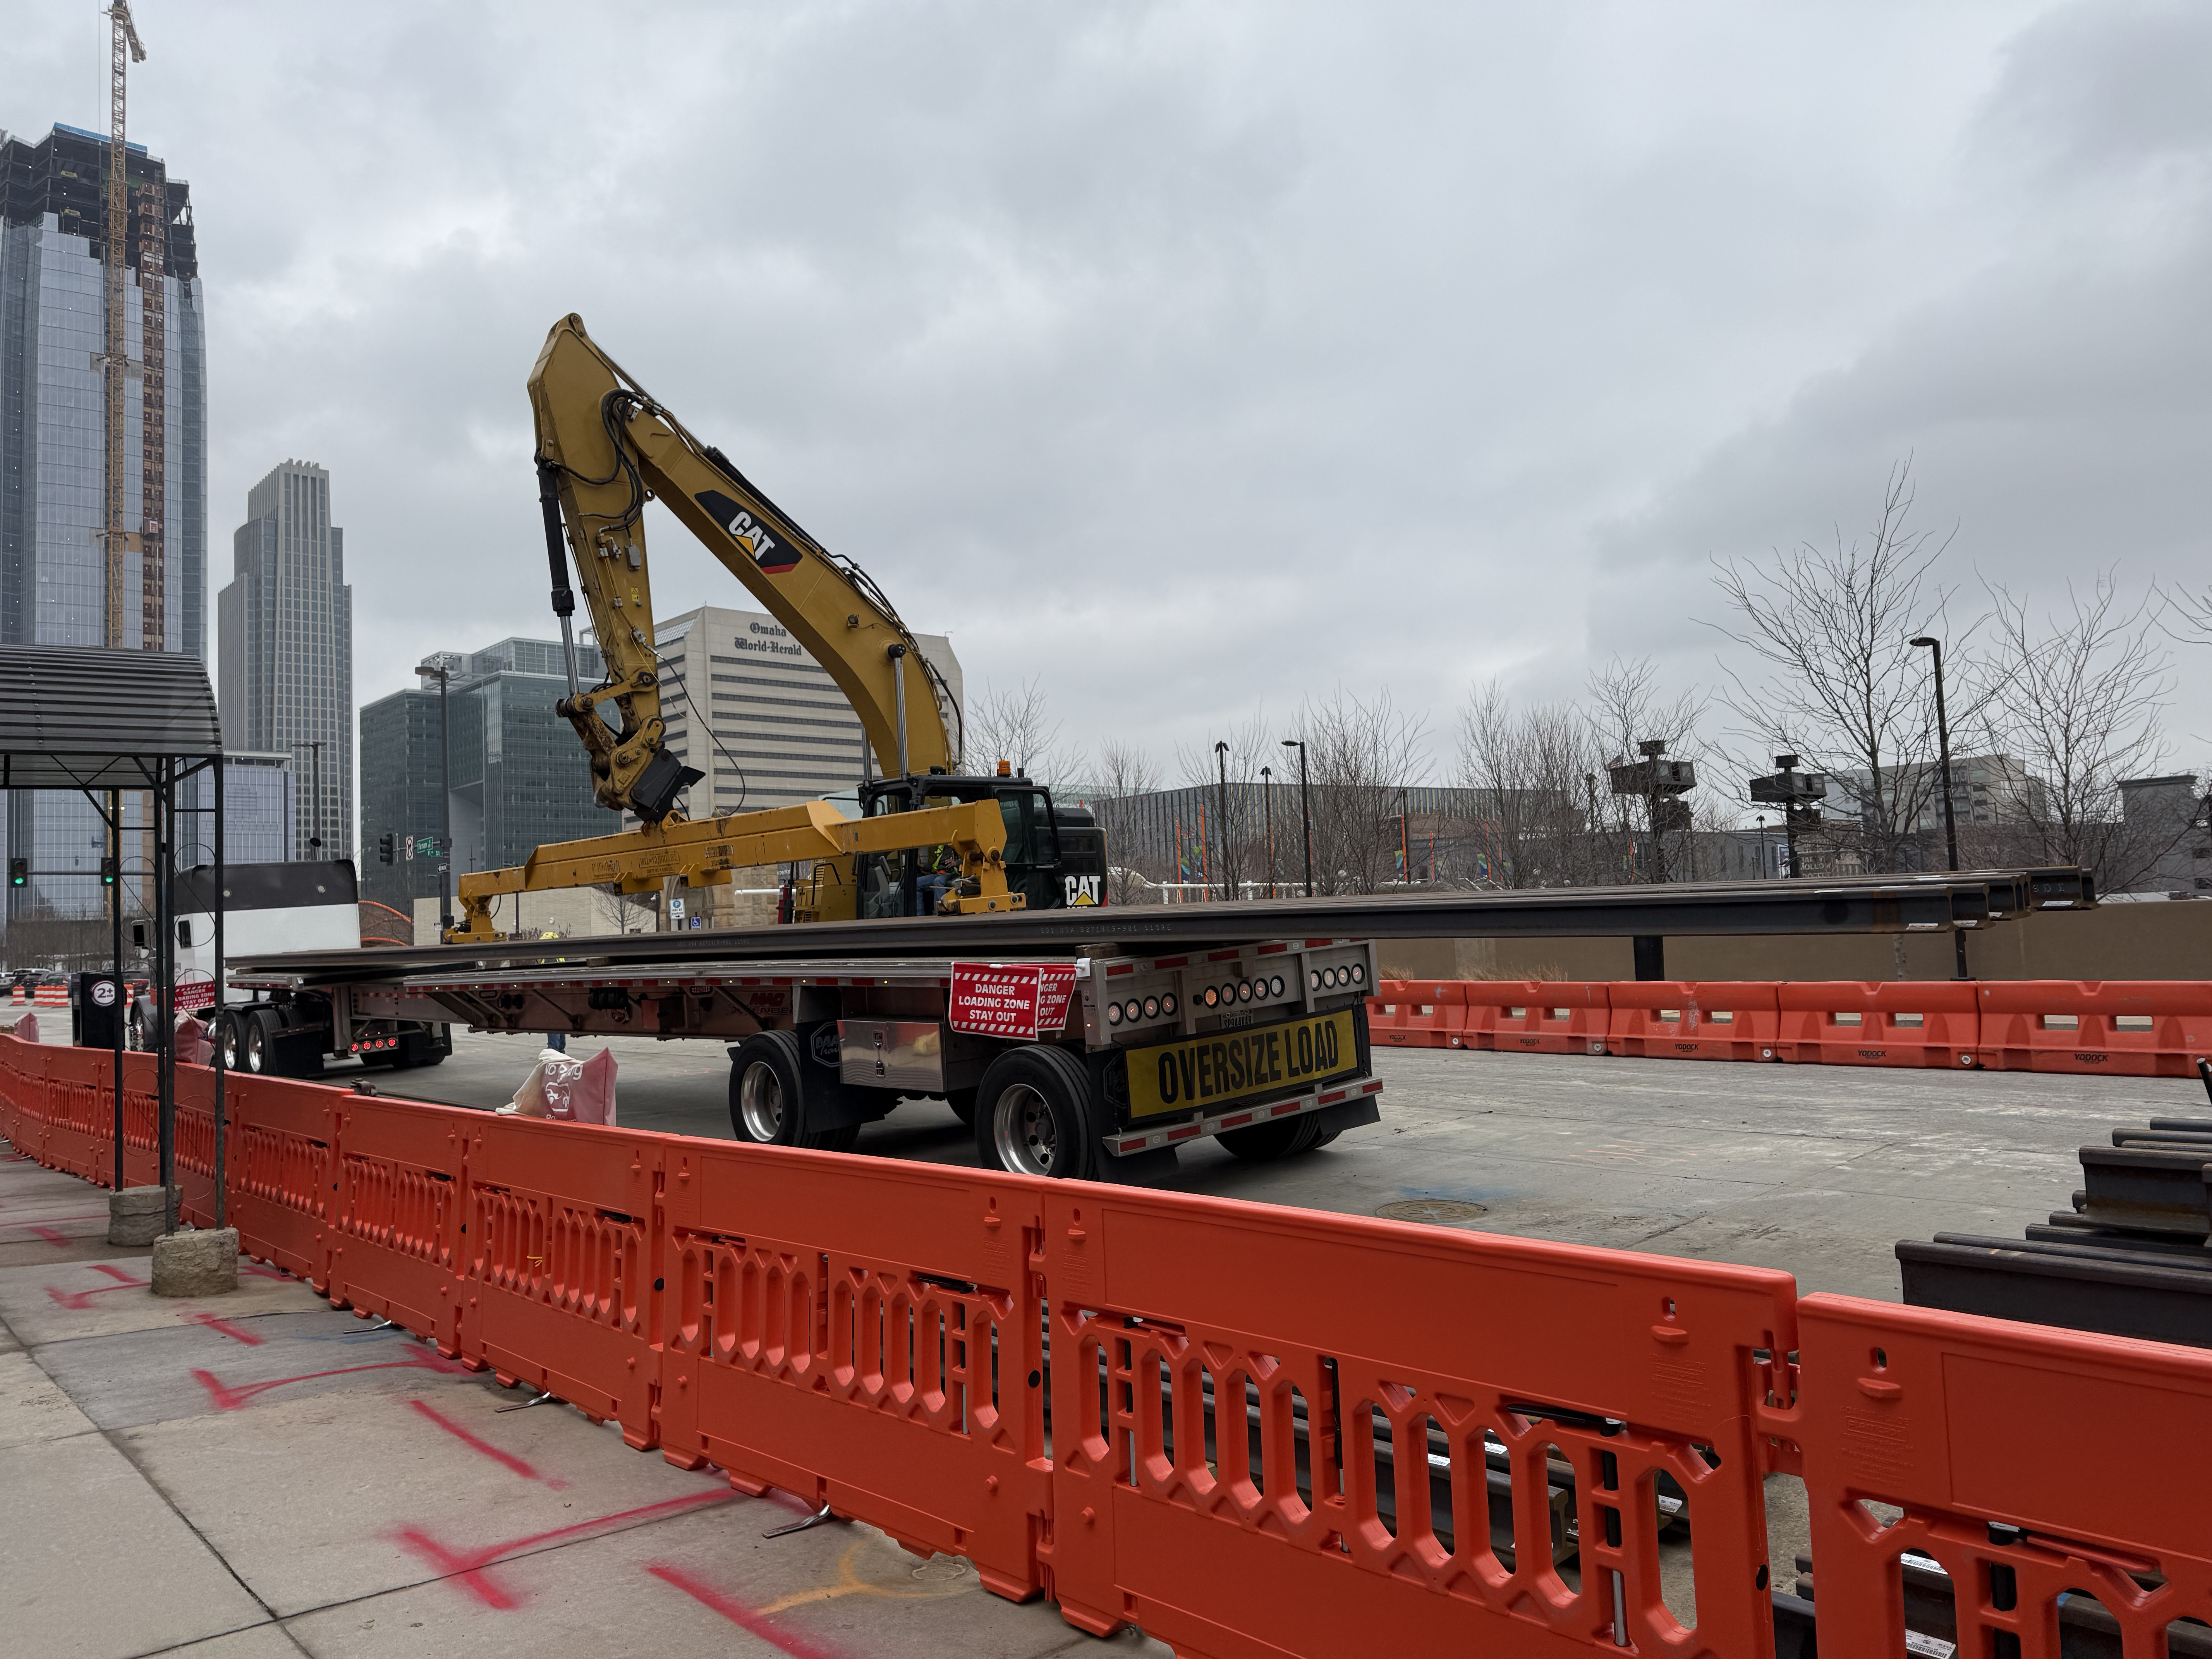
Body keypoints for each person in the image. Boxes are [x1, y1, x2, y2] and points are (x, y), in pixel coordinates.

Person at [915, 843, 962, 914]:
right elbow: (934, 864)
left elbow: (967, 859)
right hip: (939, 874)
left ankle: (938, 912)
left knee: (938, 882)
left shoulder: (959, 846)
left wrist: (956, 863)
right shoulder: (941, 848)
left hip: (953, 874)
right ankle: (919, 914)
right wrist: (922, 866)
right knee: (917, 883)